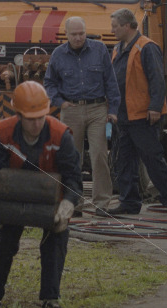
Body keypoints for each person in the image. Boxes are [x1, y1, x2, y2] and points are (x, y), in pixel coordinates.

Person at [0, 81, 82, 308]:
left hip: (51, 201)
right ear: (18, 115)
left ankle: (50, 298)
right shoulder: (2, 133)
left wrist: (68, 204)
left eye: (40, 117)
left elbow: (74, 179)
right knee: (5, 242)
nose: (36, 123)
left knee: (55, 240)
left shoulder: (61, 136)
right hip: (14, 198)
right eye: (30, 118)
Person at [106, 8, 167, 216]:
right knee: (124, 161)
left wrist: (155, 107)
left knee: (152, 158)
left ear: (128, 26)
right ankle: (129, 202)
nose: (112, 30)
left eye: (115, 26)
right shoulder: (118, 48)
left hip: (142, 115)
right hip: (123, 116)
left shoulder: (147, 47)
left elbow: (157, 79)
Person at [43, 16, 120, 214]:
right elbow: (49, 83)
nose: (78, 38)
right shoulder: (58, 55)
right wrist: (60, 103)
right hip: (71, 110)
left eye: (82, 33)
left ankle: (102, 203)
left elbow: (110, 81)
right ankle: (73, 202)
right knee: (71, 157)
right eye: (74, 34)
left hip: (97, 109)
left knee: (99, 155)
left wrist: (112, 111)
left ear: (86, 32)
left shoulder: (100, 50)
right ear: (66, 35)